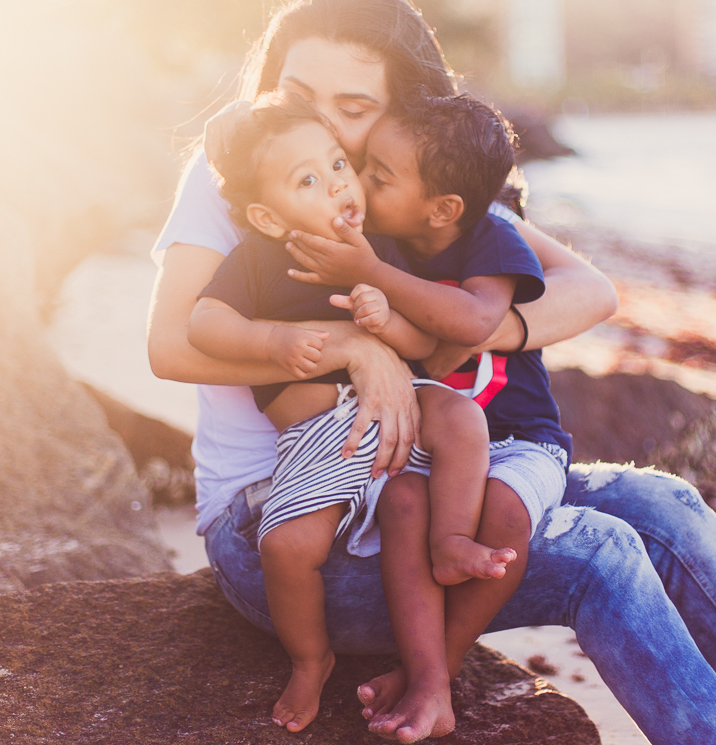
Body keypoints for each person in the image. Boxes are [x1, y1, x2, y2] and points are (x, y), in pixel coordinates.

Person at [147, 0, 716, 745]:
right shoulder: (239, 174)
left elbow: (589, 291)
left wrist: (463, 331)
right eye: (298, 92)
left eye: (355, 109)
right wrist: (353, 349)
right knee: (601, 554)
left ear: (400, 113)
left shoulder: (399, 186)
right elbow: (169, 344)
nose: (322, 126)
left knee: (668, 507)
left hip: (410, 486)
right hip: (282, 523)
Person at [185, 90, 518, 732]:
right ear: (269, 216)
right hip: (321, 441)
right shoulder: (257, 258)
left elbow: (426, 350)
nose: (340, 184)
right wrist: (273, 341)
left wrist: (387, 319)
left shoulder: (376, 253)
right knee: (286, 548)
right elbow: (203, 322)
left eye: (339, 163)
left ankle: (450, 539)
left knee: (461, 418)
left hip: (399, 418)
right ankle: (311, 659)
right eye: (308, 180)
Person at [280, 90, 573, 741]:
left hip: (520, 441)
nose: (362, 183)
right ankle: (427, 677)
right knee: (402, 504)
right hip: (433, 441)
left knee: (502, 516)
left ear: (444, 209)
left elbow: (473, 321)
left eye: (379, 176)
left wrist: (370, 269)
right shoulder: (379, 234)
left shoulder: (490, 234)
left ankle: (436, 674)